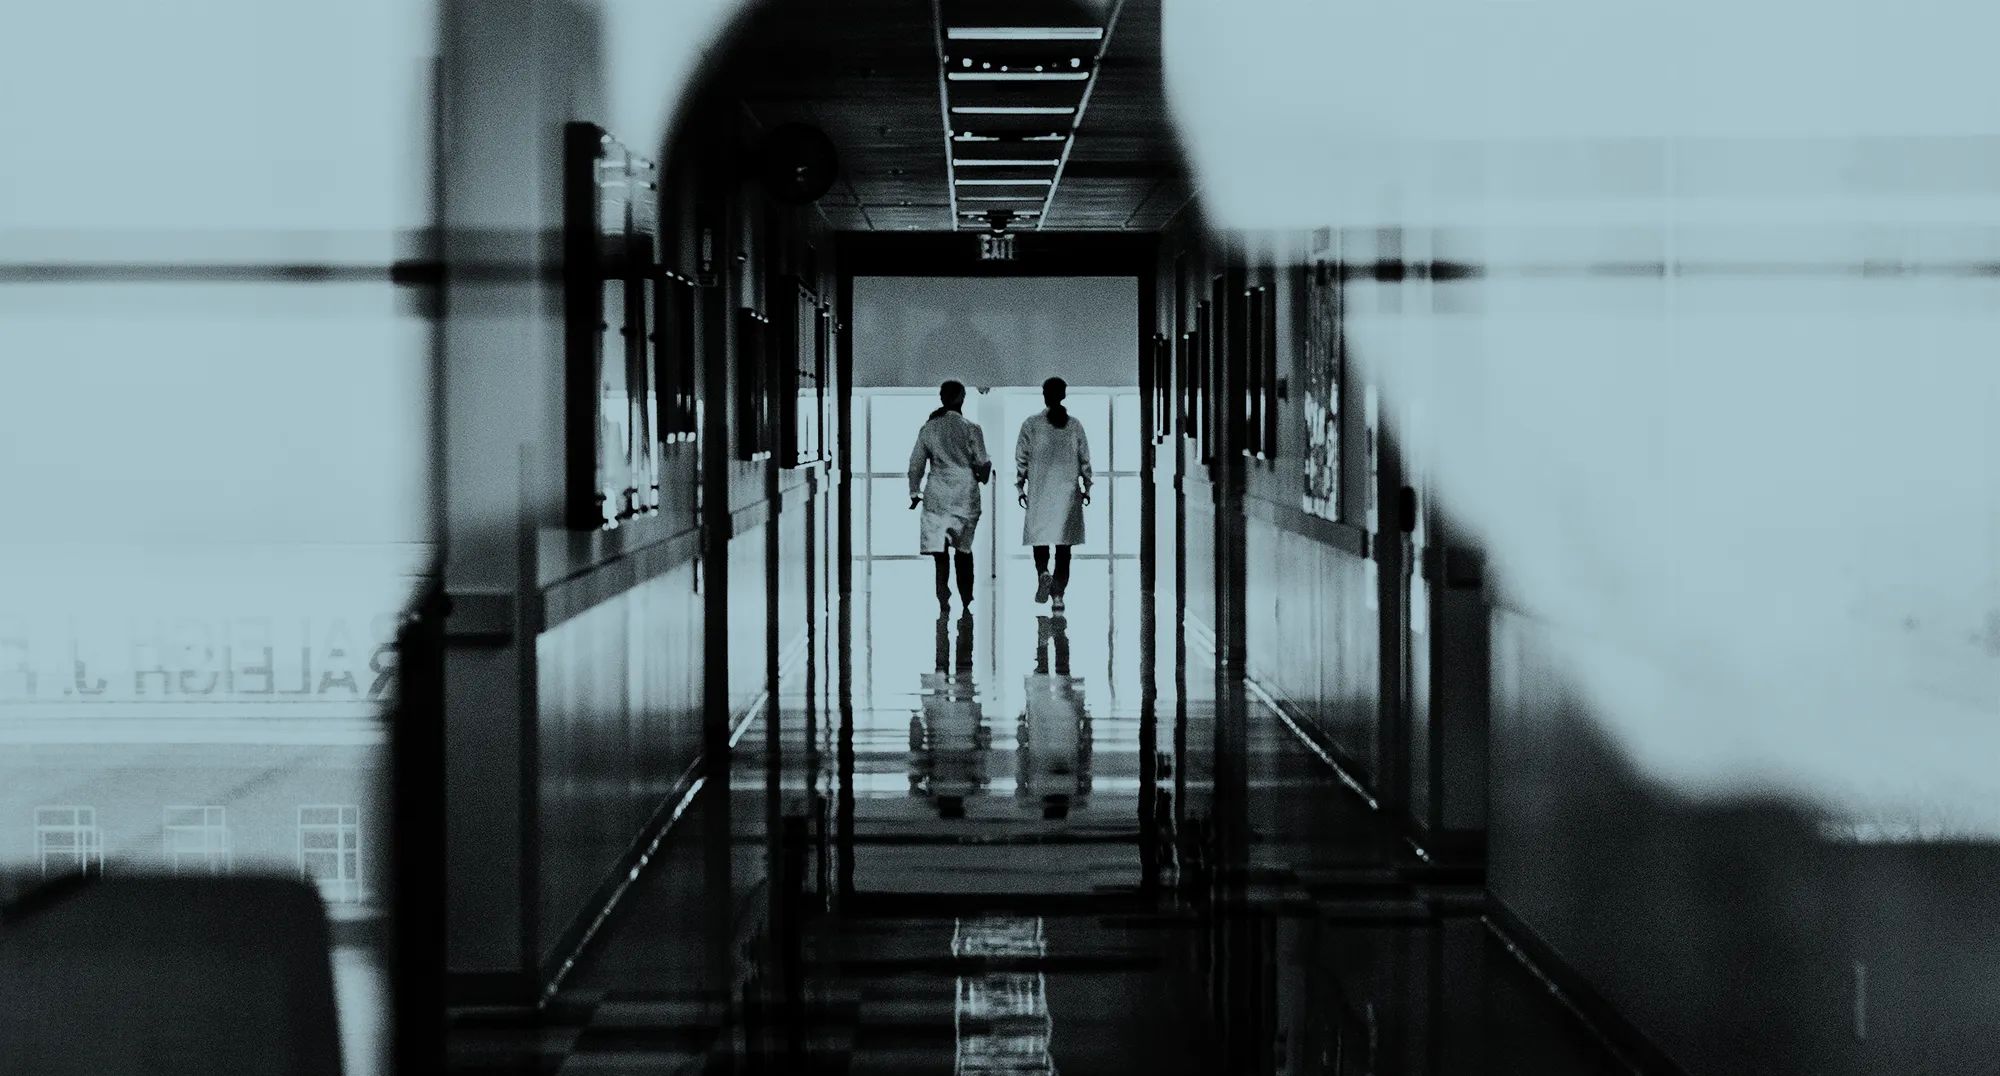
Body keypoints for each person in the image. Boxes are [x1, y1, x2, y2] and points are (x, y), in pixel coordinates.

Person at [908, 379, 992, 611]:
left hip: (937, 492)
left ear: (942, 398)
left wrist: (915, 492)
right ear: (962, 398)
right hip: (965, 492)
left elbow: (916, 465)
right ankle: (967, 599)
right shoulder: (972, 429)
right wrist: (982, 472)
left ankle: (942, 596)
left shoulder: (929, 428)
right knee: (964, 549)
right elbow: (983, 464)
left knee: (940, 551)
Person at [1014, 377, 1091, 612]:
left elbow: (1021, 459)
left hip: (1040, 491)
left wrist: (1020, 486)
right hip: (1067, 493)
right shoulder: (1074, 426)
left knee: (1040, 538)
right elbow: (1085, 460)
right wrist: (1087, 486)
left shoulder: (1031, 424)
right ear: (1064, 395)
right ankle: (1058, 596)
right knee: (1064, 546)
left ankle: (1043, 572)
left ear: (1044, 395)